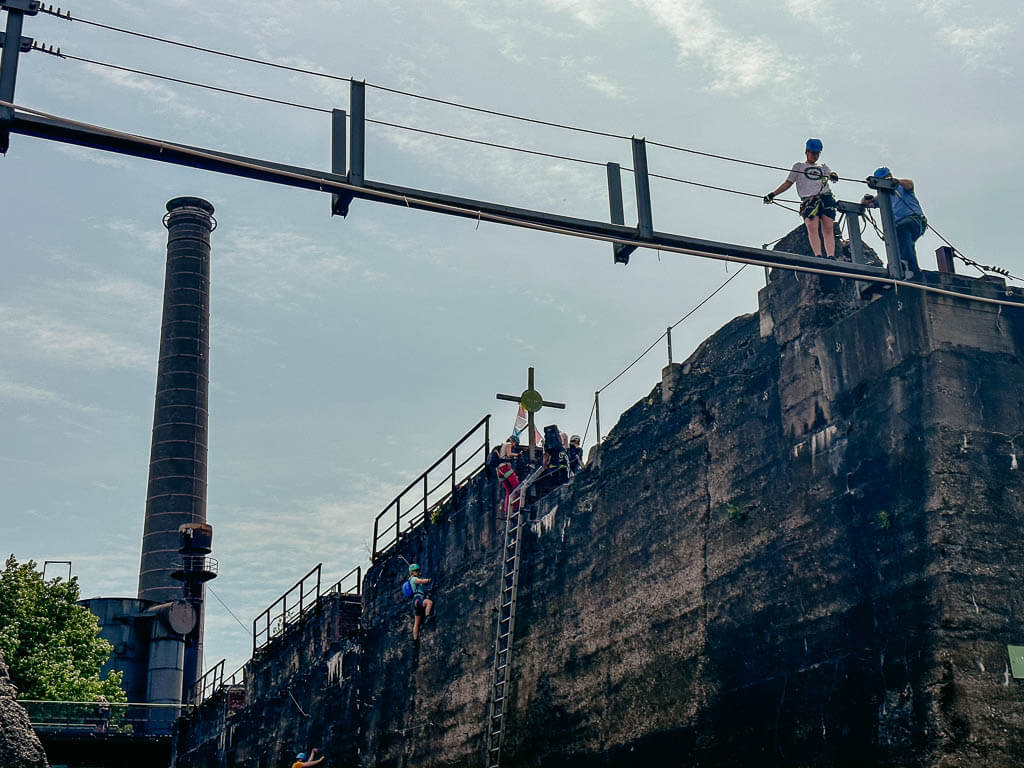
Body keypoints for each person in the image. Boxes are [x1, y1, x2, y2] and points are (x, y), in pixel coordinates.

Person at [764, 138, 840, 259]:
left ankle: (831, 256)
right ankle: (818, 255)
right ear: (807, 152)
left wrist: (833, 175)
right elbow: (788, 183)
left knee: (828, 227)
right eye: (813, 153)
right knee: (812, 226)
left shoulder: (823, 167)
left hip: (825, 197)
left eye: (817, 153)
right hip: (809, 200)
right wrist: (773, 194)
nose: (815, 156)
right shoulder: (799, 166)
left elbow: (831, 174)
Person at [860, 167, 927, 278]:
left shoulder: (901, 188)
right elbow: (866, 204)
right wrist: (866, 198)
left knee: (901, 230)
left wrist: (897, 181)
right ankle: (902, 266)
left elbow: (910, 184)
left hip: (914, 220)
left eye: (887, 178)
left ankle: (910, 268)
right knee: (900, 241)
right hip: (899, 226)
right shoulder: (883, 195)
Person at [406, 564, 433, 642]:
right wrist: (427, 580)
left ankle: (415, 640)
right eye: (416, 571)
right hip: (418, 599)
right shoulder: (414, 579)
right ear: (412, 572)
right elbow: (420, 581)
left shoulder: (410, 580)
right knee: (429, 602)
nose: (418, 572)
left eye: (418, 570)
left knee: (416, 622)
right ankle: (428, 616)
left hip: (415, 602)